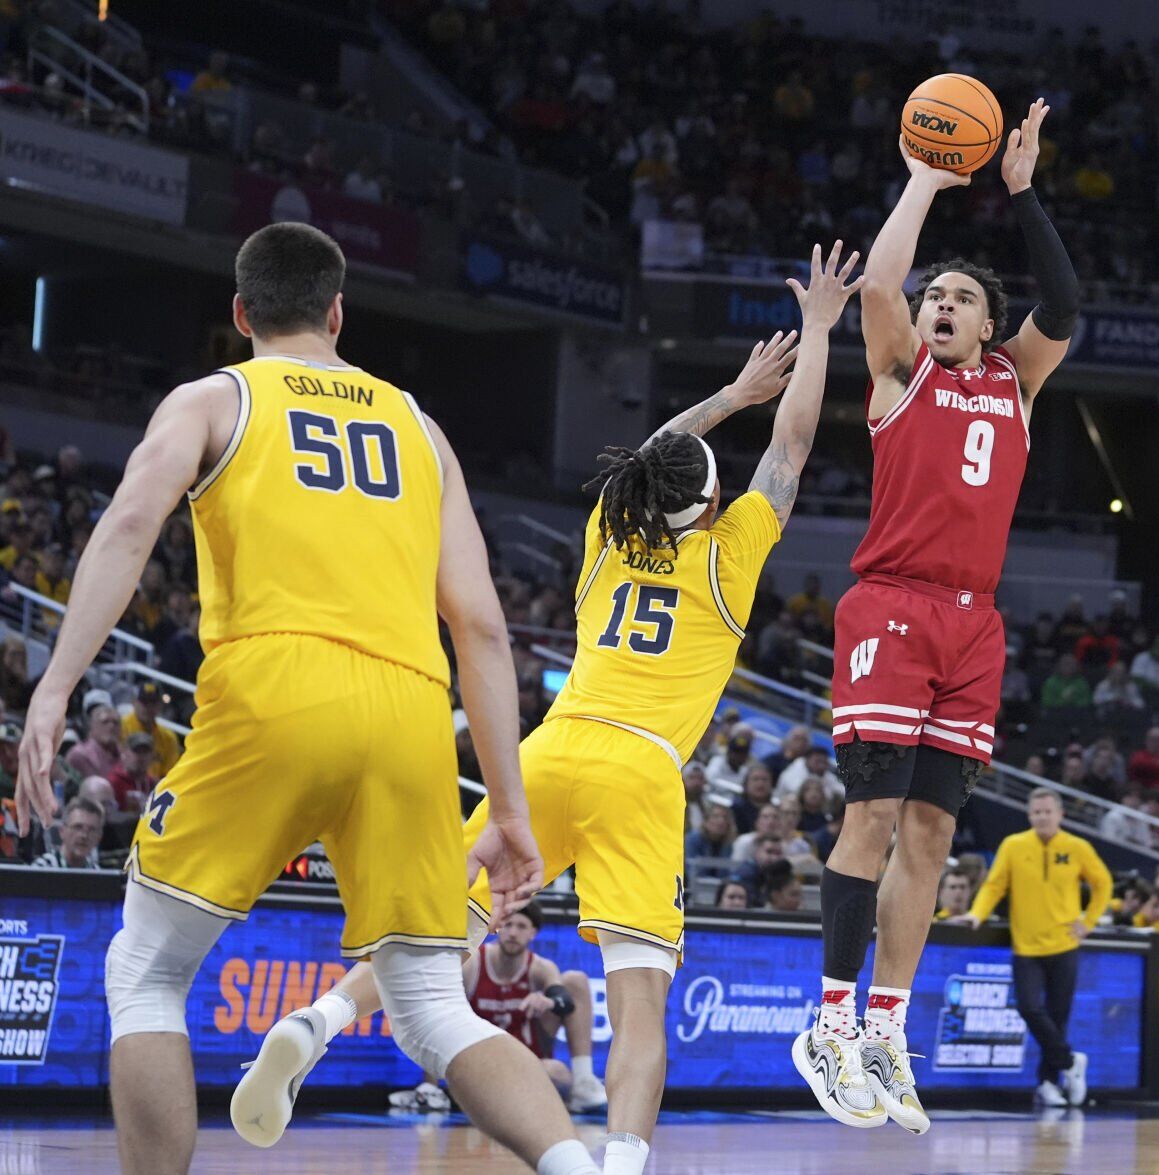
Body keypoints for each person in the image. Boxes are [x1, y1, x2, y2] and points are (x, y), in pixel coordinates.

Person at [231, 241, 862, 1175]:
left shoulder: (609, 529)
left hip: (551, 750)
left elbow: (657, 457)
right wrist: (815, 330)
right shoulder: (727, 559)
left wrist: (729, 395)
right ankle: (618, 1164)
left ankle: (317, 1019)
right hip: (641, 770)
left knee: (442, 924)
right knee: (639, 1004)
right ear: (717, 502)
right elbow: (795, 444)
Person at [11, 223, 596, 1174]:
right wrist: (512, 808)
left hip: (275, 689)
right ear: (337, 312)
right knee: (431, 1005)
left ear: (240, 314)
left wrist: (57, 686)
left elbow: (126, 523)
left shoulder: (215, 396)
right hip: (411, 707)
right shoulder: (418, 425)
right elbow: (484, 629)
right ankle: (579, 1166)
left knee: (148, 971)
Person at [807, 98, 1079, 1135]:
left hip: (973, 627)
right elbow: (880, 281)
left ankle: (884, 1024)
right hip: (890, 604)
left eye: (962, 298)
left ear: (988, 321)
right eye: (937, 298)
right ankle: (829, 1018)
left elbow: (1063, 297)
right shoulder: (896, 373)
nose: (941, 305)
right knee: (869, 818)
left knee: (929, 833)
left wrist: (1020, 192)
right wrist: (925, 176)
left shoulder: (1016, 378)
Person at [951, 789, 1109, 1108]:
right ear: (1029, 815)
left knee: (1058, 1016)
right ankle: (1070, 1062)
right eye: (1036, 812)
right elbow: (994, 885)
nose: (1042, 817)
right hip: (1026, 945)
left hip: (1064, 943)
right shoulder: (1014, 845)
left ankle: (1049, 1083)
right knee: (1028, 1007)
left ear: (1060, 814)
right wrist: (978, 913)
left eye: (1047, 811)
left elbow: (1103, 883)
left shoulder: (1077, 847)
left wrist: (1088, 921)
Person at [391, 904, 605, 1114]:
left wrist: (549, 1002)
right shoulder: (473, 964)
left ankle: (583, 1082)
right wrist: (431, 1083)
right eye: (508, 924)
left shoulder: (540, 968)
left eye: (521, 926)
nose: (513, 933)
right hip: (483, 1066)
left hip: (528, 1065)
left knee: (574, 983)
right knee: (440, 1005)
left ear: (533, 933)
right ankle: (430, 1090)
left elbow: (565, 1001)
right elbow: (438, 1014)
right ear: (498, 927)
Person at [121, 683, 182, 778]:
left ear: (160, 706)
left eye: (153, 702)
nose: (148, 707)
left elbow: (170, 774)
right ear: (134, 702)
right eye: (144, 702)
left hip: (155, 787)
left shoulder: (168, 737)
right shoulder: (121, 727)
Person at [31, 794, 104, 869]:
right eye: (77, 827)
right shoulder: (42, 868)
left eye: (91, 830)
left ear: (99, 837)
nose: (84, 835)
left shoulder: (97, 873)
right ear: (62, 831)